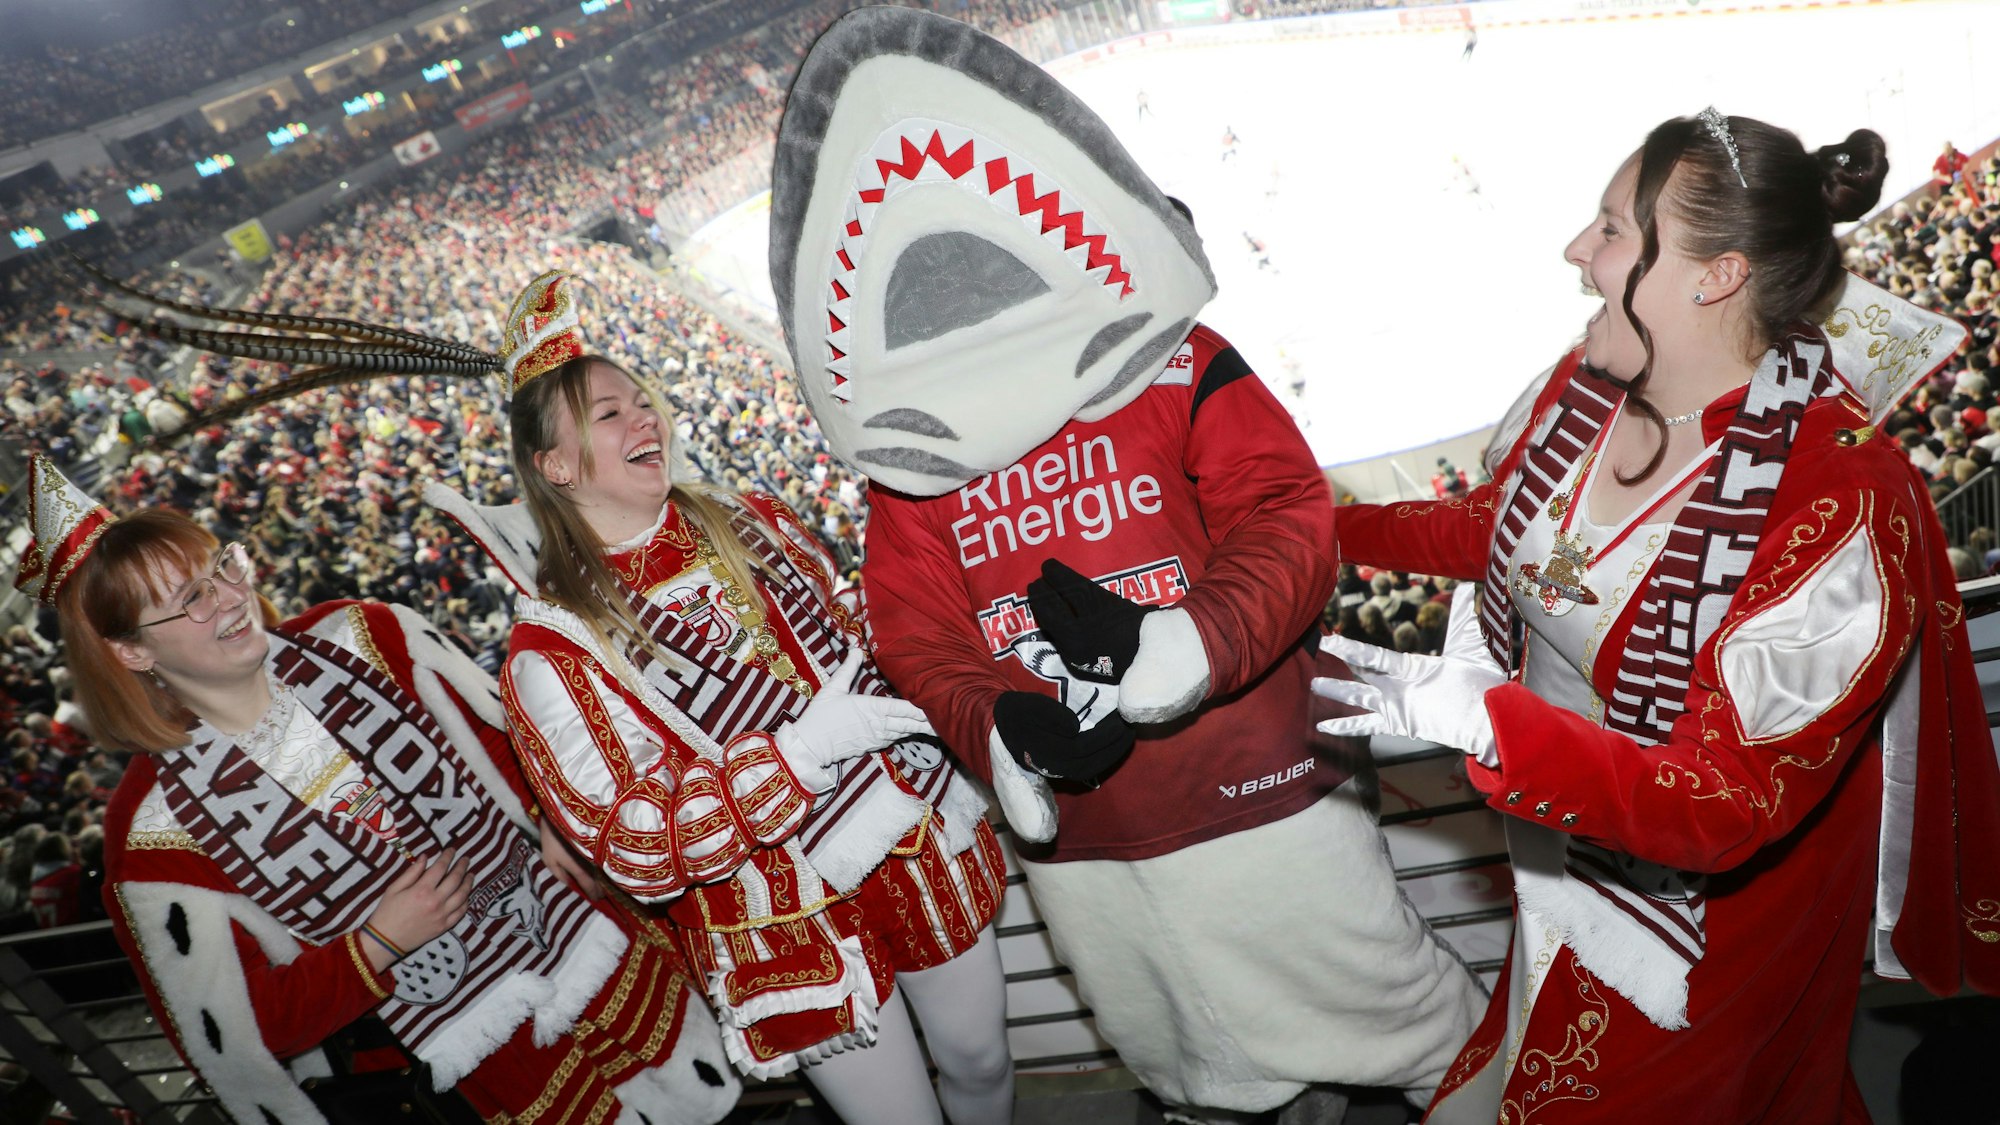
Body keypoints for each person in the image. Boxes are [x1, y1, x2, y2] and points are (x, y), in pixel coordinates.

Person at [766, 9, 1484, 1120]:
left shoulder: (1174, 361)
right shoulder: (911, 462)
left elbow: (1285, 510)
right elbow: (916, 630)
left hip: (1258, 793)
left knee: (1420, 1034)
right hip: (1085, 848)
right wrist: (992, 729)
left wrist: (1197, 636)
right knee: (1195, 1071)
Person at [1321, 109, 2000, 1121]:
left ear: (1713, 275)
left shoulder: (1838, 502)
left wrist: (1481, 721)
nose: (1575, 251)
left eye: (1609, 230)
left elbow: (1725, 800)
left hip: (1714, 912)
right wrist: (1319, 529)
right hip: (1565, 837)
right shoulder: (1587, 380)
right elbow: (1496, 533)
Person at [20, 456, 738, 1125]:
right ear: (133, 651)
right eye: (192, 599)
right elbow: (247, 1025)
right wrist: (378, 943)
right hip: (458, 1065)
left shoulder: (366, 634)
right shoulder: (152, 829)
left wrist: (552, 814)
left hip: (604, 950)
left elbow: (516, 741)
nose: (232, 598)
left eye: (222, 567)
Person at [475, 270, 1013, 1125]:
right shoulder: (552, 650)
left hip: (904, 830)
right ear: (556, 465)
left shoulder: (747, 517)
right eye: (608, 414)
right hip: (778, 917)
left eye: (639, 400)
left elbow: (855, 619)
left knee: (983, 1064)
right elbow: (633, 842)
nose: (644, 417)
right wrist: (794, 758)